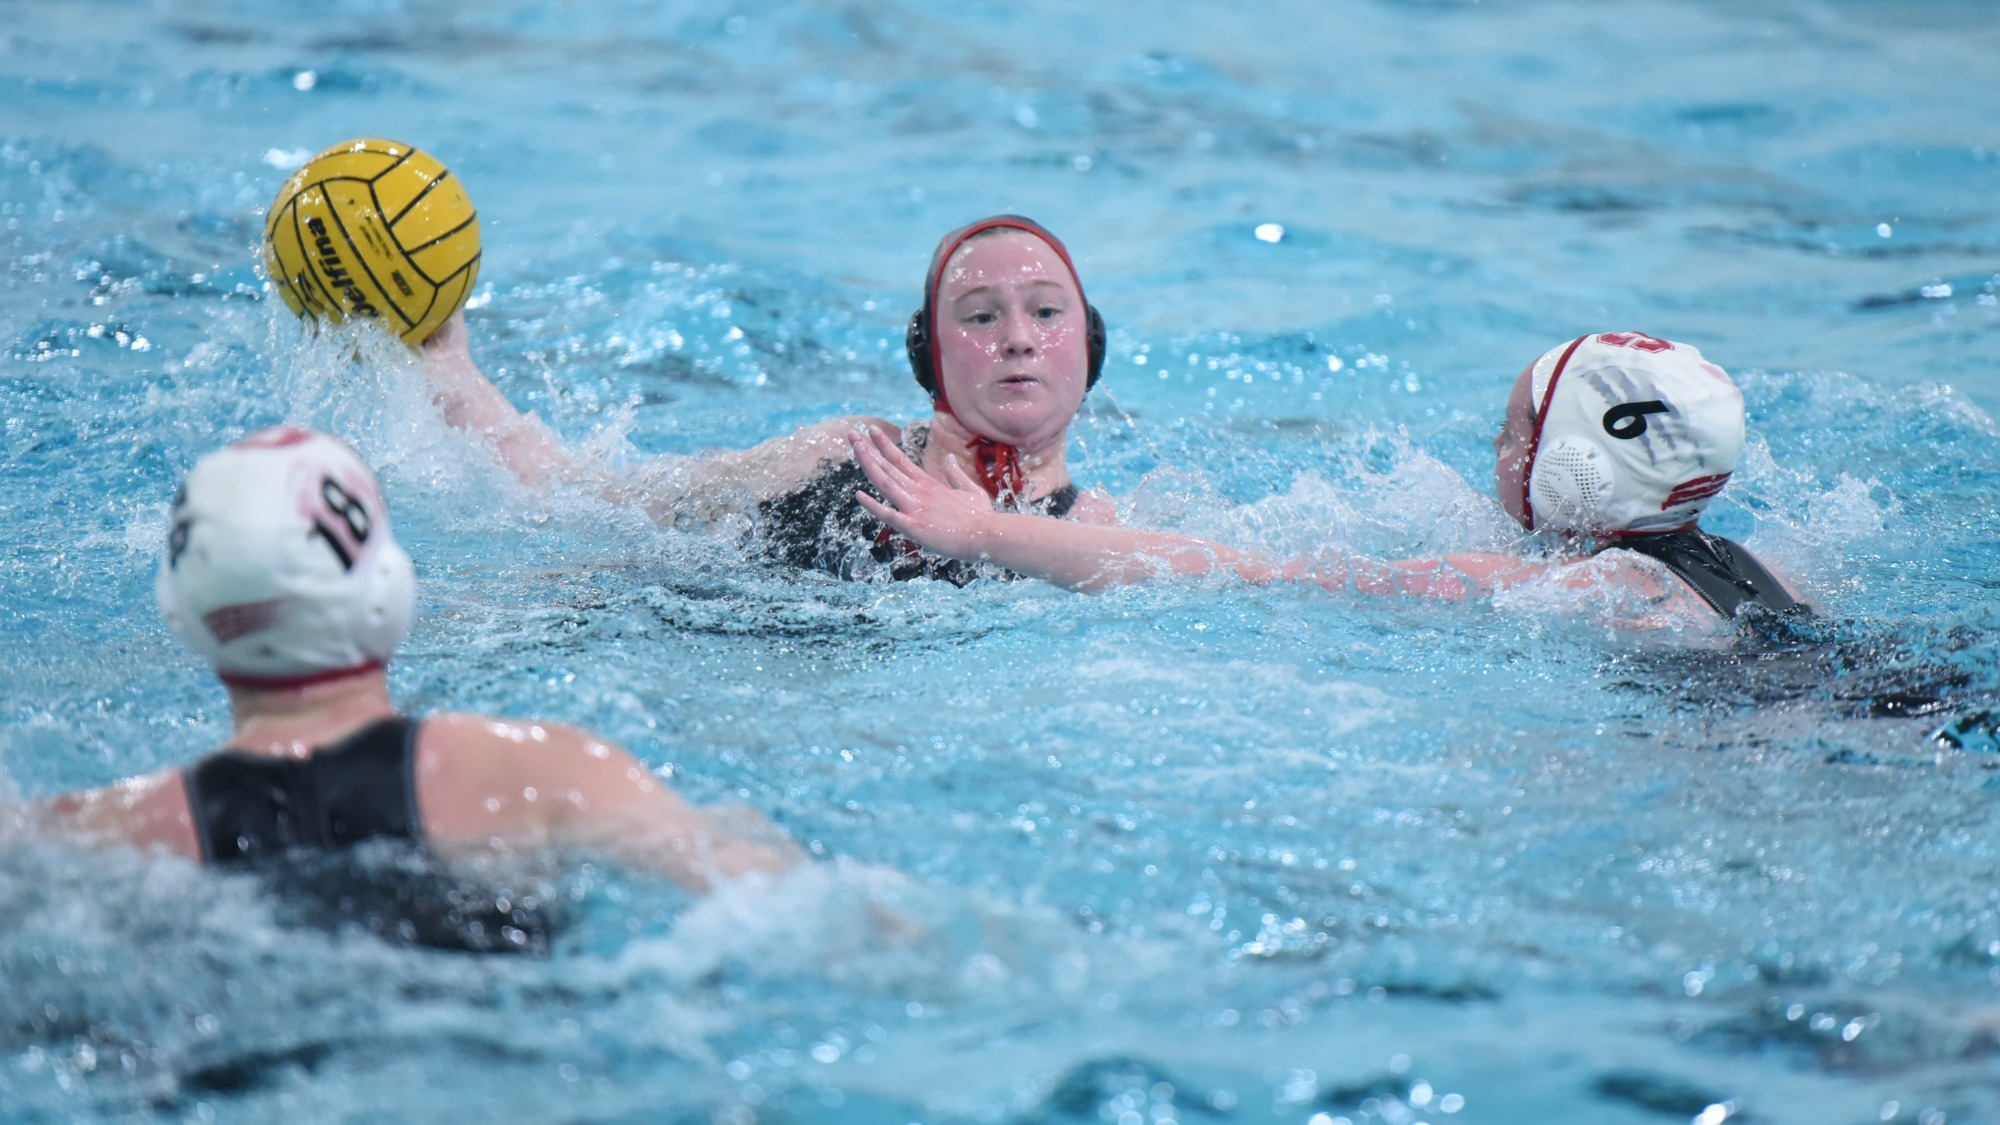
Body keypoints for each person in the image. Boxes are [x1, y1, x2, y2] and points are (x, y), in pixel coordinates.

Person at [34, 426, 800, 950]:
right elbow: (789, 903)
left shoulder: (102, 833)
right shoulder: (540, 774)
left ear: (184, 613)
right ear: (387, 584)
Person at [850, 331, 1808, 624]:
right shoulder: (1759, 567)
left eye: (1517, 430)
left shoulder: (1569, 588)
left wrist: (982, 533)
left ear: (1573, 463)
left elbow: (1240, 570)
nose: (1496, 451)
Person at [416, 215, 1117, 582]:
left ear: (1091, 346)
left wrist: (986, 534)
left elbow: (1227, 571)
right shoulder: (842, 453)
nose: (1019, 338)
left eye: (1048, 314)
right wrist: (453, 374)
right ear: (926, 353)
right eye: (981, 315)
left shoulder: (1094, 530)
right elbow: (593, 500)